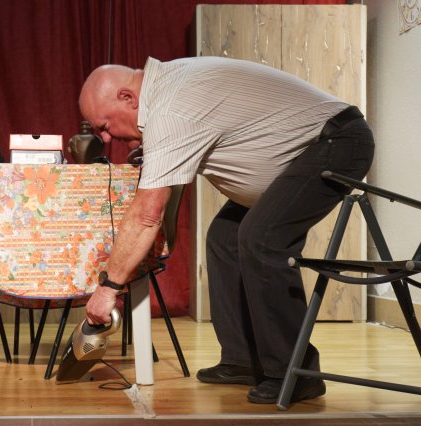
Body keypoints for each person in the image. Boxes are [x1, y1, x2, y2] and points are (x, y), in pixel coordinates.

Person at [79, 56, 374, 404]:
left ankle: (296, 372)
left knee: (262, 238)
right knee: (225, 238)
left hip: (338, 142)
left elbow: (146, 216)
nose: (106, 138)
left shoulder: (171, 108)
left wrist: (108, 288)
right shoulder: (167, 91)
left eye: (104, 126)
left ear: (128, 98)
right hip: (305, 151)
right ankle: (242, 359)